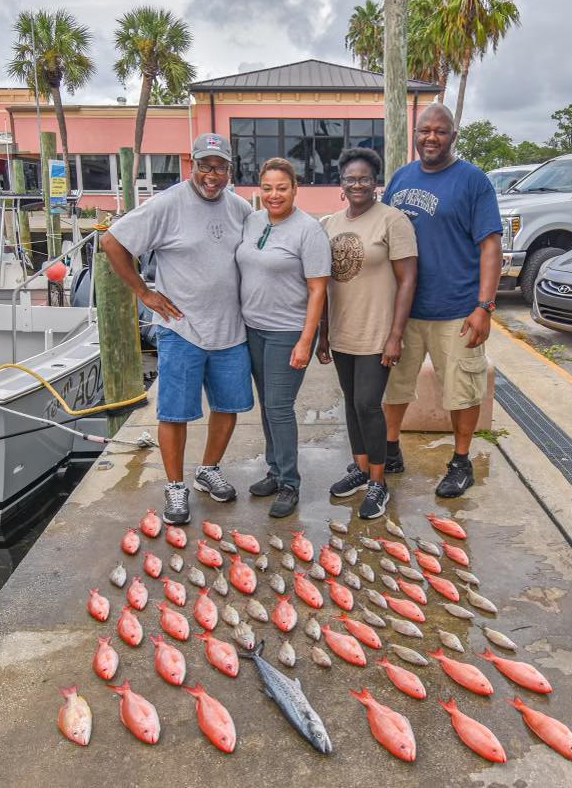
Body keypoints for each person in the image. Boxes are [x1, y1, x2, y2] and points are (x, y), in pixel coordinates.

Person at [100, 133, 254, 525]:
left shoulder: (239, 208)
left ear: (229, 170)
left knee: (228, 407)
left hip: (230, 330)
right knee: (175, 414)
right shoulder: (168, 203)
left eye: (219, 167)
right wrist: (143, 292)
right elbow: (112, 241)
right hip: (182, 329)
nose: (212, 175)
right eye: (205, 165)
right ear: (192, 165)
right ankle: (175, 486)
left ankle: (208, 469)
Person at [382, 104, 503, 497]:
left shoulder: (473, 181)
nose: (430, 137)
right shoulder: (400, 178)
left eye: (440, 131)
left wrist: (484, 306)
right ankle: (390, 448)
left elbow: (491, 246)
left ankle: (460, 460)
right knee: (394, 386)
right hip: (405, 310)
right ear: (415, 134)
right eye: (424, 130)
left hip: (457, 310)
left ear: (453, 136)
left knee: (462, 389)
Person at [317, 147, 418, 519]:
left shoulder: (393, 220)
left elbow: (408, 282)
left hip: (377, 331)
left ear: (376, 183)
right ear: (341, 184)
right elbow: (323, 284)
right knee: (350, 402)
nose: (357, 184)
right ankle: (360, 470)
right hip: (343, 330)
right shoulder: (329, 224)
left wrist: (396, 335)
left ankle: (379, 482)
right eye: (350, 179)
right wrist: (323, 335)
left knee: (367, 404)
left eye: (364, 178)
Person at [237, 158, 330, 518]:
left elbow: (318, 289)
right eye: (268, 187)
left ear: (295, 189)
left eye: (282, 187)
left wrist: (306, 340)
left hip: (287, 330)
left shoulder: (308, 230)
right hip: (253, 329)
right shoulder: (253, 220)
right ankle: (274, 472)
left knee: (279, 407)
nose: (274, 195)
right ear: (259, 189)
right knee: (268, 406)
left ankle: (290, 483)